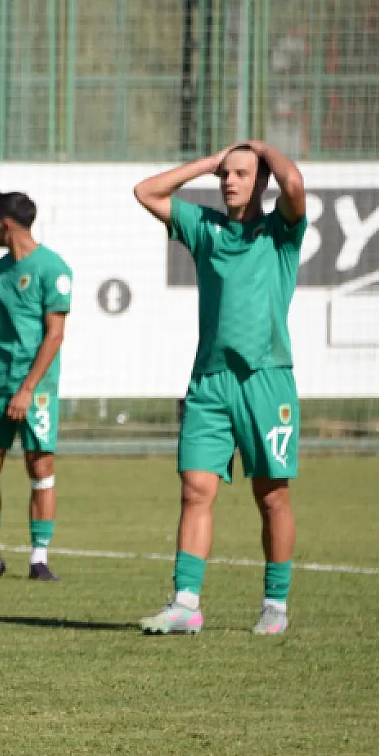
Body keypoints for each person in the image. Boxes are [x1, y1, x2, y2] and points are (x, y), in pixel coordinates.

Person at [132, 140, 306, 635]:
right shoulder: (204, 228)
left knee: (272, 496)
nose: (230, 181)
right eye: (225, 175)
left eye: (242, 174)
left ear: (262, 180)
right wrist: (210, 162)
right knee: (195, 489)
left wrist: (263, 150)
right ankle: (185, 604)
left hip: (266, 382)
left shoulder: (280, 233)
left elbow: (294, 184)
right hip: (209, 382)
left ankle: (275, 606)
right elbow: (146, 191)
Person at [0, 191, 72, 581]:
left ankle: (39, 558)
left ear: (7, 223)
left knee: (40, 465)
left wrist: (28, 388)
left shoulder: (53, 268)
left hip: (36, 387)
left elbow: (54, 335)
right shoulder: (1, 269)